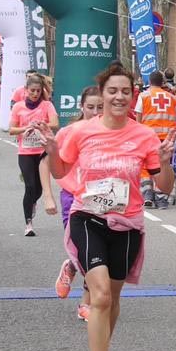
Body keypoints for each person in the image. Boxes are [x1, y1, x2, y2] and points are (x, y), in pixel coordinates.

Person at [44, 63, 176, 351]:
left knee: (113, 300)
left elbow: (162, 186)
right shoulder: (80, 132)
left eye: (125, 91)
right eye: (112, 91)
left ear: (133, 95)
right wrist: (52, 151)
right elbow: (60, 171)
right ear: (101, 96)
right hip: (88, 217)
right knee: (100, 295)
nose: (119, 96)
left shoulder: (144, 136)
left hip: (128, 223)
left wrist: (165, 161)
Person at [54, 87, 105, 315]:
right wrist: (47, 196)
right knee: (82, 249)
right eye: (90, 107)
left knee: (98, 251)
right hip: (72, 197)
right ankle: (72, 265)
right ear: (81, 107)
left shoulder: (112, 132)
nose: (95, 112)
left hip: (102, 197)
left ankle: (87, 302)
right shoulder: (69, 132)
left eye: (100, 107)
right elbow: (49, 162)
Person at [9, 74, 59, 236]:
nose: (35, 94)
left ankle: (33, 202)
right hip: (25, 152)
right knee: (29, 186)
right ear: (26, 90)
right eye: (32, 91)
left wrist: (42, 125)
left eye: (38, 91)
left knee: (38, 188)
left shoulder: (46, 105)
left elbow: (55, 124)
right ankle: (28, 223)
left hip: (42, 151)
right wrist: (25, 128)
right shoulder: (18, 107)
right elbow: (11, 129)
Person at [134, 70, 176, 208]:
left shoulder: (144, 96)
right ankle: (161, 195)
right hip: (168, 138)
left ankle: (148, 192)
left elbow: (139, 117)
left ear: (149, 82)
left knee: (146, 164)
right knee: (164, 165)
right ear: (162, 83)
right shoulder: (172, 97)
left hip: (149, 137)